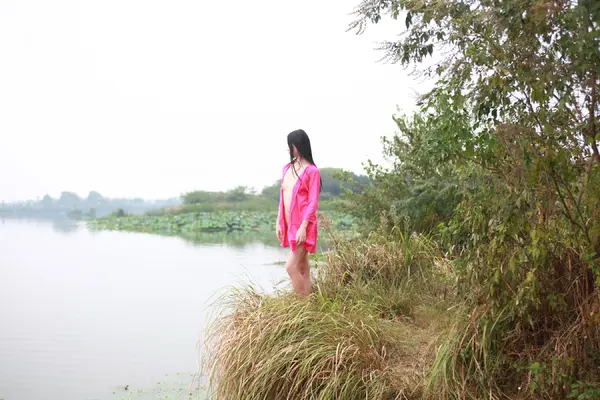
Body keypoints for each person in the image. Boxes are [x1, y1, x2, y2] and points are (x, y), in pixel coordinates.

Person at [276, 129, 321, 297]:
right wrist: (278, 222)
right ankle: (309, 304)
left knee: (291, 267)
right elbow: (283, 197)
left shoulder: (312, 171)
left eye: (291, 145)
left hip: (303, 225)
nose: (288, 149)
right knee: (302, 267)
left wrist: (304, 226)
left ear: (299, 145)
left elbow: (313, 201)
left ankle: (302, 304)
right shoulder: (287, 168)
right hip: (289, 223)